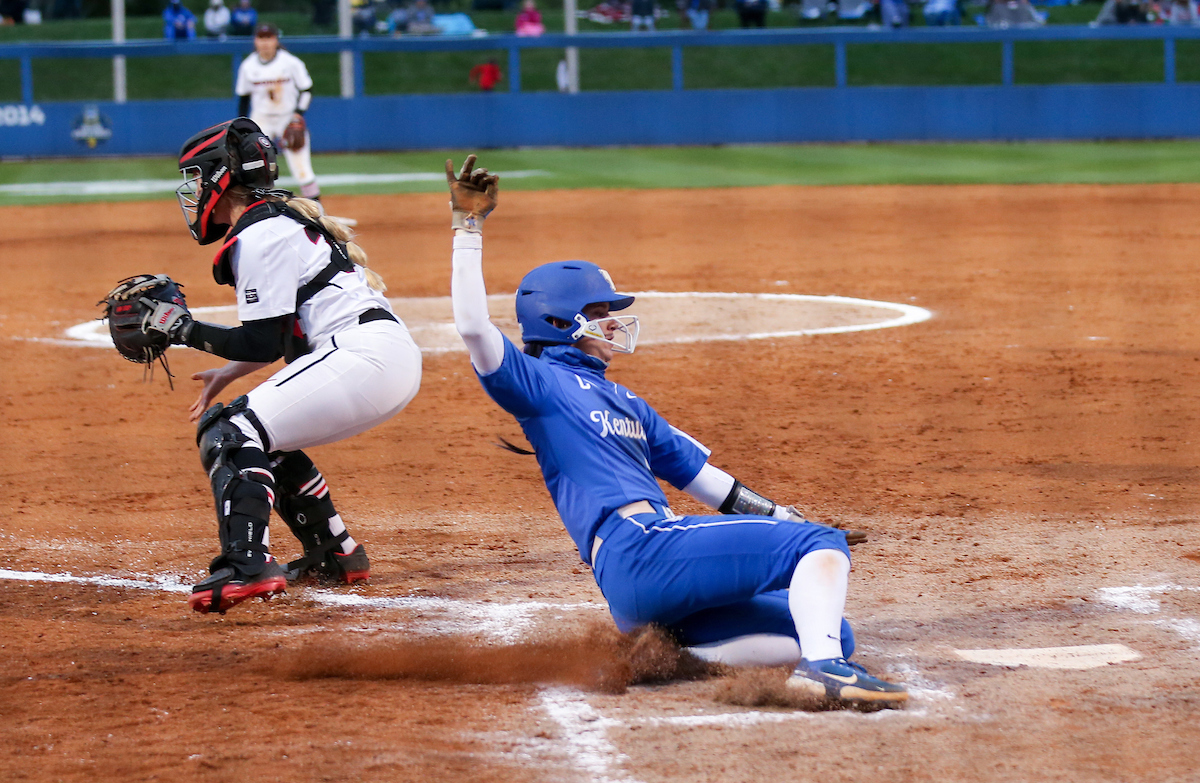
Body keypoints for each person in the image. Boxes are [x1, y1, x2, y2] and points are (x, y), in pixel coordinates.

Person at [444, 156, 908, 710]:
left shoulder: (628, 403)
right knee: (817, 553)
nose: (614, 322)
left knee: (825, 625)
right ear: (561, 320)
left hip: (649, 576)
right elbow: (473, 327)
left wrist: (791, 520)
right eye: (600, 312)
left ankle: (663, 655)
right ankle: (826, 673)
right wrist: (467, 229)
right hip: (637, 550)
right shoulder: (536, 383)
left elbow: (714, 487)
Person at [155, 118, 421, 613]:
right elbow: (278, 334)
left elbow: (261, 341)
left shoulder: (261, 235)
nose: (192, 191)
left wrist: (182, 329)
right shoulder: (277, 220)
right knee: (266, 438)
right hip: (377, 357)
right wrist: (228, 371)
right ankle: (334, 553)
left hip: (364, 357)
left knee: (229, 430)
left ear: (221, 176)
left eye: (197, 177)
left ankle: (246, 563)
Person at [236, 24, 322, 201]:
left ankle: (318, 215)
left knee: (302, 171)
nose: (265, 42)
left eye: (269, 38)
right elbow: (243, 98)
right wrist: (242, 126)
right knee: (253, 170)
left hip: (287, 118)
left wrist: (298, 114)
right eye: (261, 38)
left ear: (276, 40)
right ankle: (254, 215)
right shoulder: (248, 66)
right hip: (260, 120)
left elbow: (307, 89)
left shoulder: (290, 63)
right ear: (255, 41)